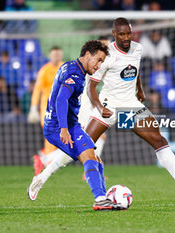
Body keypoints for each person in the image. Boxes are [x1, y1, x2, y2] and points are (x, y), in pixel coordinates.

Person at [30, 18, 175, 200]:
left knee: (158, 139)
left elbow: (135, 69)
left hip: (130, 106)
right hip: (108, 105)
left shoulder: (137, 49)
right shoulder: (106, 56)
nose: (126, 38)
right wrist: (100, 107)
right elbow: (91, 87)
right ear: (114, 35)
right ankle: (43, 176)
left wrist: (140, 89)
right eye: (122, 34)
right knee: (81, 146)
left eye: (129, 34)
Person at [27, 40, 122, 211]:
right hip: (58, 126)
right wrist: (63, 128)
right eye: (98, 60)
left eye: (102, 61)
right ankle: (101, 198)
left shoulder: (71, 67)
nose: (99, 65)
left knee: (93, 158)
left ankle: (101, 198)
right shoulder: (75, 75)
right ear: (87, 55)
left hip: (70, 123)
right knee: (89, 157)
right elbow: (61, 99)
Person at [27, 46, 67, 175]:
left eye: (58, 54)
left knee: (61, 134)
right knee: (51, 134)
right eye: (54, 55)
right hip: (47, 108)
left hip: (62, 106)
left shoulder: (65, 68)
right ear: (50, 56)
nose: (56, 57)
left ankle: (44, 158)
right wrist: (33, 108)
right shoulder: (44, 70)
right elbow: (37, 90)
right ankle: (48, 161)